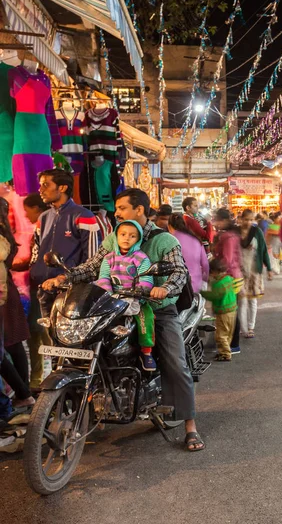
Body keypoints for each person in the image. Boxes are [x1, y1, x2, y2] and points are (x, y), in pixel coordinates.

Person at [43, 188, 204, 452]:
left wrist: (164, 288)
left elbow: (179, 273)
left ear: (139, 209)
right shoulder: (115, 237)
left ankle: (190, 425)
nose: (116, 213)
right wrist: (66, 277)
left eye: (121, 208)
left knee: (176, 362)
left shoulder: (164, 240)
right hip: (117, 306)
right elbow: (93, 266)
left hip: (156, 308)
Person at [29, 169, 100, 390]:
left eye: (45, 184)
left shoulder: (84, 216)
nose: (40, 190)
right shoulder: (43, 217)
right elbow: (37, 249)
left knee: (74, 349)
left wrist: (68, 279)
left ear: (62, 187)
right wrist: (36, 272)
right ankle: (58, 399)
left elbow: (92, 260)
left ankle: (83, 394)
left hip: (72, 293)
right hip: (45, 290)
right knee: (54, 346)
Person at [96, 220, 156, 371]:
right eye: (122, 234)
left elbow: (146, 278)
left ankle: (146, 352)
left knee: (145, 319)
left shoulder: (141, 258)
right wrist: (108, 294)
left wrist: (141, 290)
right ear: (116, 236)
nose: (126, 238)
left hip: (136, 299)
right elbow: (103, 278)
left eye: (132, 236)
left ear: (138, 239)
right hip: (112, 299)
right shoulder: (108, 258)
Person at [0, 197, 33, 408]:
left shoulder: (2, 237)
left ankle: (23, 393)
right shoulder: (5, 234)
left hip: (3, 293)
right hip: (7, 292)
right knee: (13, 345)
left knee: (9, 346)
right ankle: (24, 394)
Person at [212, 208, 243, 355]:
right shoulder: (228, 235)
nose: (215, 223)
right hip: (232, 276)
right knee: (230, 310)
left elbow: (227, 260)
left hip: (230, 277)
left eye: (217, 220)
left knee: (229, 311)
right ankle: (229, 341)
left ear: (223, 221)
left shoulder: (228, 237)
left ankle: (233, 343)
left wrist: (216, 270)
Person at [238, 209, 272, 338]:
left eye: (251, 219)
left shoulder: (256, 232)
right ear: (241, 219)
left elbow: (263, 250)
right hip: (240, 272)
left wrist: (269, 268)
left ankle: (251, 327)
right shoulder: (236, 232)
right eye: (246, 219)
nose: (248, 222)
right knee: (242, 300)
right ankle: (243, 328)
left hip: (254, 271)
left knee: (252, 300)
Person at [200, 260, 237, 361]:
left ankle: (225, 354)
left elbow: (215, 296)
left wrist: (203, 293)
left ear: (214, 272)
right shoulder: (229, 279)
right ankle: (225, 350)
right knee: (228, 332)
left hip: (223, 312)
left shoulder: (218, 284)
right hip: (232, 310)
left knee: (220, 334)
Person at [168, 213, 209, 293]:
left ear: (169, 226)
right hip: (196, 285)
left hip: (177, 287)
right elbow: (205, 264)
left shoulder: (170, 241)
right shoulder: (195, 239)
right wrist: (204, 281)